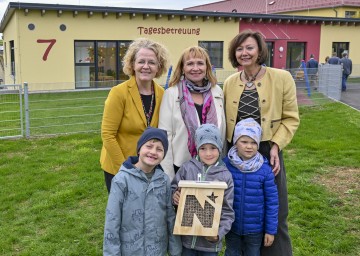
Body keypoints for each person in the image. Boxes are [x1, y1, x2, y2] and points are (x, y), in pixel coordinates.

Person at [223, 30, 300, 256]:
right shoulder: (229, 82)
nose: (244, 53)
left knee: (275, 209)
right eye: (239, 49)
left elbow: (291, 118)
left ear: (260, 51)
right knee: (240, 207)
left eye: (249, 48)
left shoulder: (282, 77)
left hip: (268, 149)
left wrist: (276, 145)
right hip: (235, 152)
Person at [100, 38, 170, 192]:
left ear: (159, 67)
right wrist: (126, 170)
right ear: (132, 64)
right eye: (141, 61)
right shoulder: (118, 93)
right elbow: (108, 135)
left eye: (151, 62)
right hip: (119, 167)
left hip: (149, 166)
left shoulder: (162, 94)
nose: (146, 66)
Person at [103, 127, 182, 256]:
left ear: (163, 155)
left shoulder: (164, 181)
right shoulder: (121, 181)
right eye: (149, 146)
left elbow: (170, 217)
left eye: (159, 149)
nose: (153, 152)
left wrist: (175, 251)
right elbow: (112, 221)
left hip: (157, 251)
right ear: (139, 149)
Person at [159, 46, 226, 181]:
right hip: (182, 166)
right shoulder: (172, 94)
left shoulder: (217, 91)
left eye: (200, 63)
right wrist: (169, 176)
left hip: (213, 166)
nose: (195, 68)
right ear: (182, 68)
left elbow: (223, 131)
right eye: (190, 64)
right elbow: (165, 135)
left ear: (207, 67)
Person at [171, 123, 234, 255]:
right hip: (187, 241)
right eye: (203, 148)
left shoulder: (225, 175)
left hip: (209, 246)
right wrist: (174, 196)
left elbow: (227, 211)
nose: (208, 153)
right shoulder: (187, 168)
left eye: (213, 148)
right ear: (197, 149)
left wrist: (218, 234)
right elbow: (174, 188)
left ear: (220, 148)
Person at [223, 118, 278, 256]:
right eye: (244, 141)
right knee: (231, 252)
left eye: (254, 142)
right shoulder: (225, 165)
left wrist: (270, 230)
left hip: (255, 229)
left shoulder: (265, 170)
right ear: (235, 142)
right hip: (231, 226)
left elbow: (272, 203)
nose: (249, 146)